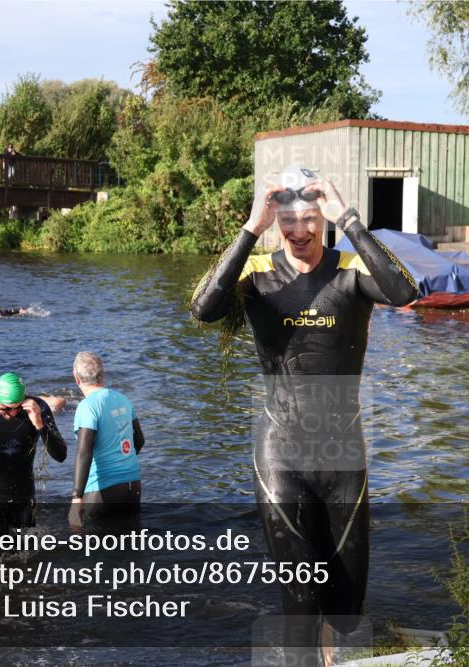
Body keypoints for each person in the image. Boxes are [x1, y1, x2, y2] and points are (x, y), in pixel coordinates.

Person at [190, 165, 417, 665]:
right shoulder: (257, 273)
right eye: (287, 221)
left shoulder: (351, 268)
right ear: (275, 222)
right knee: (299, 602)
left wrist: (350, 218)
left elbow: (405, 292)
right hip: (281, 455)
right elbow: (204, 309)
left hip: (342, 454)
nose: (299, 231)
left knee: (347, 605)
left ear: (324, 218)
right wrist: (250, 229)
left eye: (310, 219)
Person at [0, 373, 67, 547]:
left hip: (24, 496)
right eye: (7, 409)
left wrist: (40, 425)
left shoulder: (38, 408)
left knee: (27, 556)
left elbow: (61, 455)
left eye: (18, 407)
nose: (14, 413)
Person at [68, 352, 144, 529]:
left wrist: (76, 498)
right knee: (129, 546)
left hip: (103, 491)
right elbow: (139, 440)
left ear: (76, 377)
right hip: (133, 486)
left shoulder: (87, 407)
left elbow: (83, 453)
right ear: (102, 374)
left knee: (91, 550)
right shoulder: (123, 399)